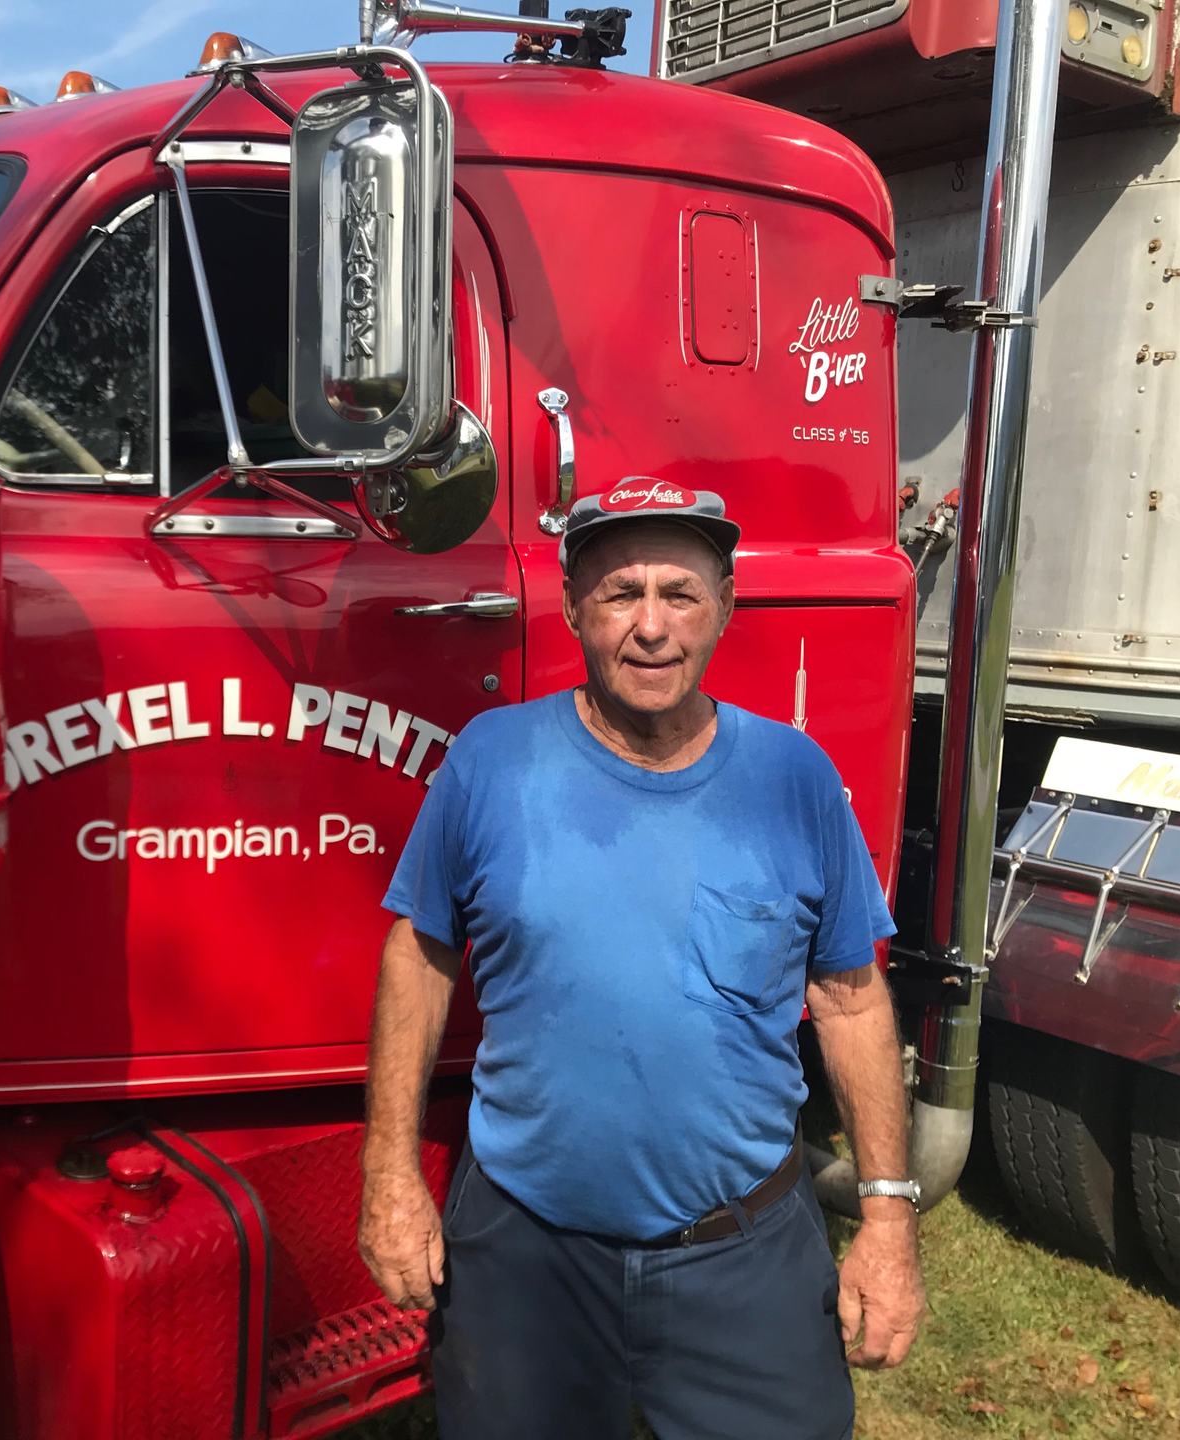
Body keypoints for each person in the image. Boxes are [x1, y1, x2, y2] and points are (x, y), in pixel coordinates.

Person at [358, 480, 925, 1440]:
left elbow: (851, 1000)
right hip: (528, 1257)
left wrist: (887, 1221)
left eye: (682, 593)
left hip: (741, 1258)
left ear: (727, 606)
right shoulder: (492, 762)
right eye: (622, 594)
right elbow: (418, 954)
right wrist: (389, 1173)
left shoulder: (795, 778)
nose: (652, 626)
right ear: (575, 606)